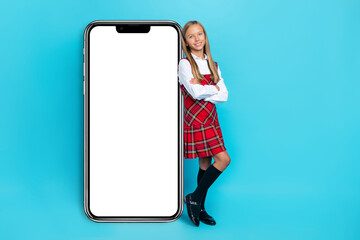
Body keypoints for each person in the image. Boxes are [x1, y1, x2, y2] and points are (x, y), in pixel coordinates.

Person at [178, 20, 231, 227]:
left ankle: (199, 206)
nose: (197, 39)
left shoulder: (213, 64)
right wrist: (212, 89)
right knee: (223, 160)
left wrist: (204, 87)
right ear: (186, 41)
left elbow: (224, 95)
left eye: (200, 34)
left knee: (205, 164)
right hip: (196, 119)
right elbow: (194, 92)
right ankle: (194, 197)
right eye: (191, 36)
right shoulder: (184, 64)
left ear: (205, 37)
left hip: (210, 118)